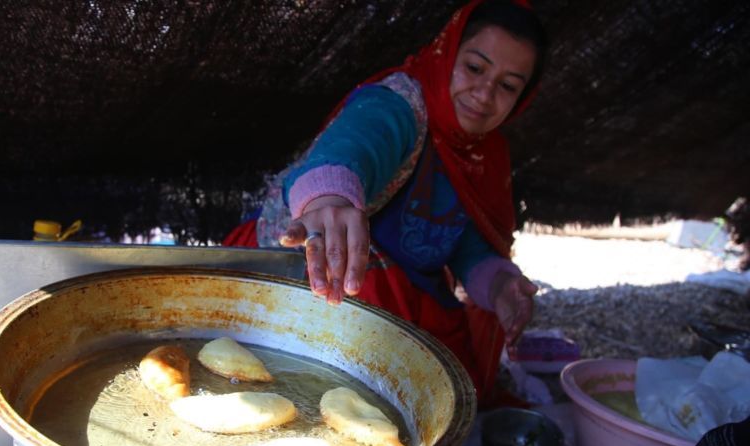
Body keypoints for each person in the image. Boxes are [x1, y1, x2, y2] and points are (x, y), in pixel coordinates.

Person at [224, 0, 548, 406]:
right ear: (445, 54)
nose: (485, 94)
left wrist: (500, 287)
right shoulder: (400, 104)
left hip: (413, 298)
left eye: (508, 86)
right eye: (475, 68)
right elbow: (355, 145)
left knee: (449, 390)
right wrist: (330, 197)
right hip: (328, 278)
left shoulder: (485, 157)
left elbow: (465, 247)